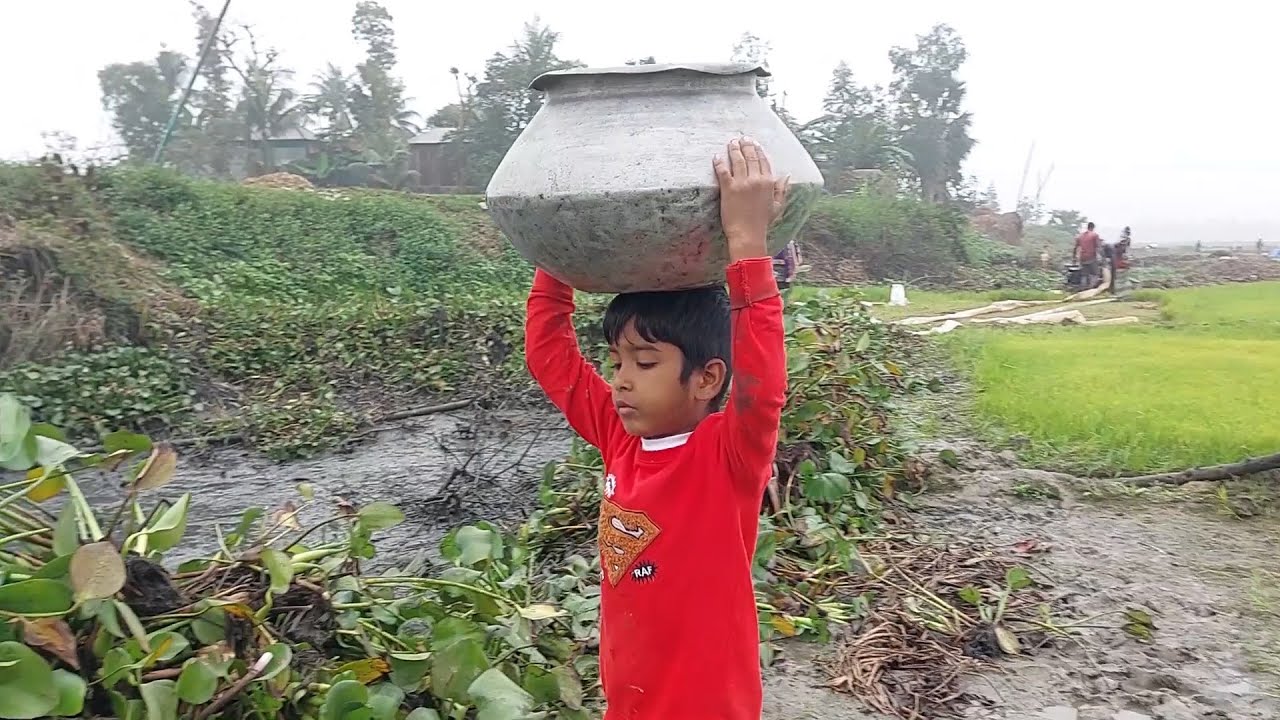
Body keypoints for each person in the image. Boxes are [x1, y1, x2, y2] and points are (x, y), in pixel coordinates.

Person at [524, 137, 787, 720]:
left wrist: (746, 242)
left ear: (706, 379)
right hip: (630, 694)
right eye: (617, 362)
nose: (620, 381)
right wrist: (555, 246)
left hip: (705, 704)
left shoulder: (726, 456)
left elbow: (762, 387)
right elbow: (552, 358)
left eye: (644, 364)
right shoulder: (622, 439)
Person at [1073, 221, 1102, 287]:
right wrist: (1102, 257)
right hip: (1091, 257)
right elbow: (1099, 247)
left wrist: (1074, 258)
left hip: (1082, 258)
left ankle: (1083, 287)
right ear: (1093, 227)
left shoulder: (1080, 236)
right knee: (1095, 274)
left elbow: (1075, 247)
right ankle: (1091, 288)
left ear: (1087, 227)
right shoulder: (1095, 235)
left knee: (1084, 274)